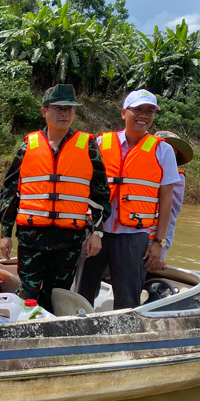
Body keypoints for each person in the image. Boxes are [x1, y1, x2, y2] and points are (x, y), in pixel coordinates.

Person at [0, 84, 111, 313]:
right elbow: (10, 191)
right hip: (32, 236)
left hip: (68, 238)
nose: (65, 114)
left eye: (70, 109)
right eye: (59, 108)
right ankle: (25, 332)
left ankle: (50, 333)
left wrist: (97, 233)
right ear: (44, 111)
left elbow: (100, 193)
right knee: (29, 291)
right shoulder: (27, 146)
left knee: (58, 292)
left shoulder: (88, 145)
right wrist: (5, 233)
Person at [76, 89, 180, 309]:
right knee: (82, 293)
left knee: (127, 299)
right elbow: (84, 187)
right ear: (124, 113)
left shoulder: (163, 151)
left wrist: (158, 242)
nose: (144, 115)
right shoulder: (102, 143)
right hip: (96, 232)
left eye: (150, 111)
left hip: (134, 238)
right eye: (138, 110)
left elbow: (167, 200)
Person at [153, 131, 194, 259]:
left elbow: (170, 210)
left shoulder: (177, 176)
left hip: (159, 232)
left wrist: (160, 242)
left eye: (171, 150)